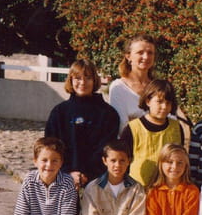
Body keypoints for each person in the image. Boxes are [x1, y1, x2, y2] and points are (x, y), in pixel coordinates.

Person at [45, 59, 120, 189]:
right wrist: (68, 173)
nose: (83, 82)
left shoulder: (108, 114)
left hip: (97, 181)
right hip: (63, 179)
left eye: (88, 77)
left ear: (95, 80)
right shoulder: (59, 112)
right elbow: (51, 147)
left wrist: (87, 174)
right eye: (78, 78)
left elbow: (107, 148)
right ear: (71, 80)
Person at [120, 79, 183, 188]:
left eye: (168, 103)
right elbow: (122, 161)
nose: (164, 106)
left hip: (168, 190)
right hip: (138, 190)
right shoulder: (133, 128)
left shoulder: (176, 127)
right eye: (159, 101)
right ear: (148, 101)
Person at [108, 34, 156, 135]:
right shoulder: (118, 88)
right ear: (128, 56)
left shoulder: (158, 87)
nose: (146, 57)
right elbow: (123, 127)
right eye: (140, 52)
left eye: (150, 53)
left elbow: (170, 120)